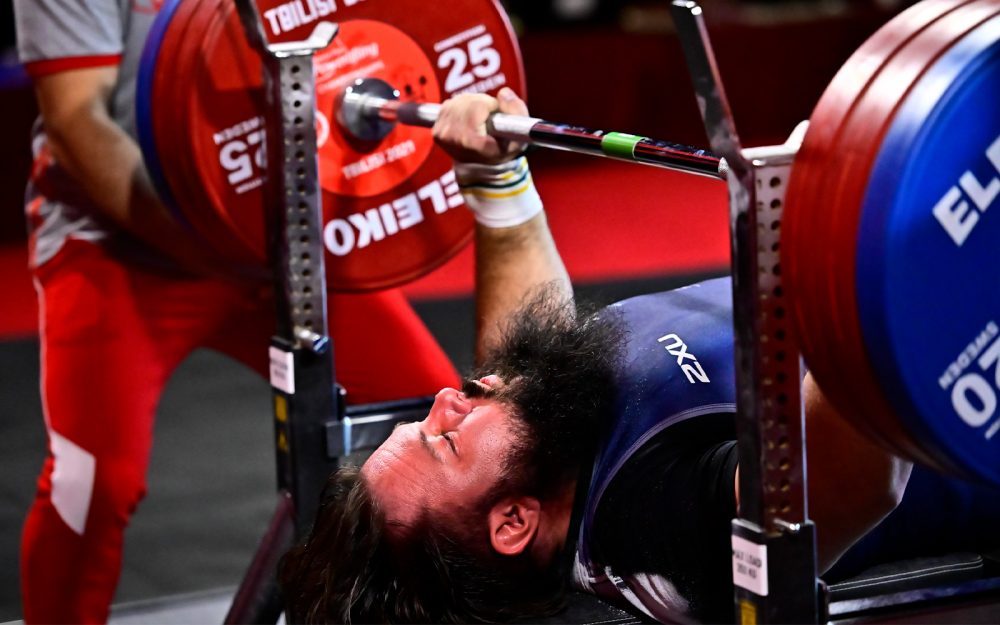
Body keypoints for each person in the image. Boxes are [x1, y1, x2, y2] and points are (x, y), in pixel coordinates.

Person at [279, 91, 1000, 624]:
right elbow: (847, 478)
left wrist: (495, 183)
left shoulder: (550, 439)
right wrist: (849, 236)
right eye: (441, 440)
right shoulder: (662, 527)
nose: (442, 398)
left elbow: (527, 339)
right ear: (512, 523)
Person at [12, 2, 460, 622]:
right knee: (93, 483)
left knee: (439, 419)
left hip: (275, 228)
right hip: (120, 246)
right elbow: (75, 120)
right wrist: (221, 240)